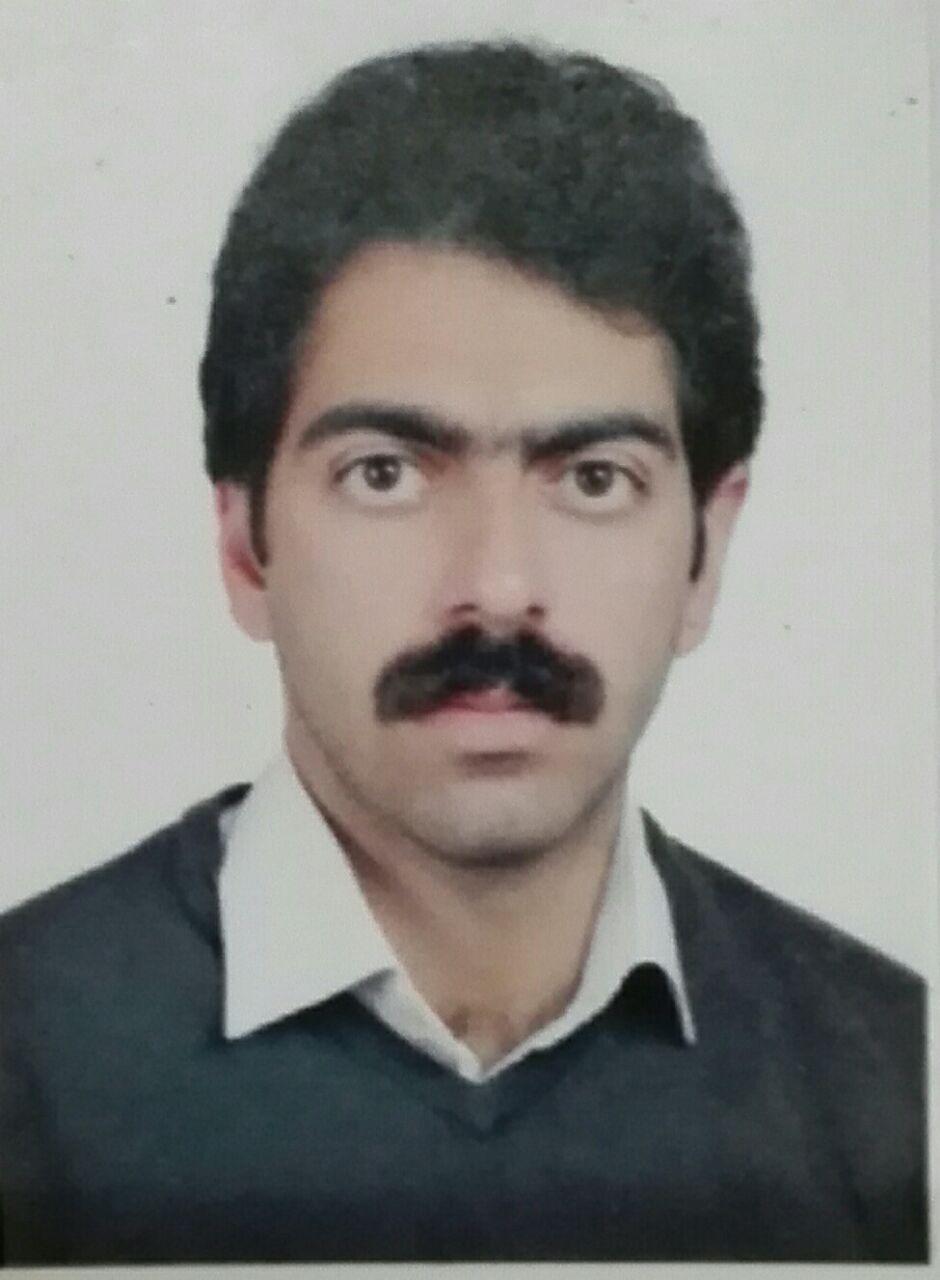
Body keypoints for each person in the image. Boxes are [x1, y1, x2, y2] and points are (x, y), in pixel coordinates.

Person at [0, 39, 926, 1265]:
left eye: (592, 478)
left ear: (705, 552)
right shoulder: (21, 1058)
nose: (496, 587)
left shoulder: (896, 1082)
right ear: (244, 546)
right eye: (385, 472)